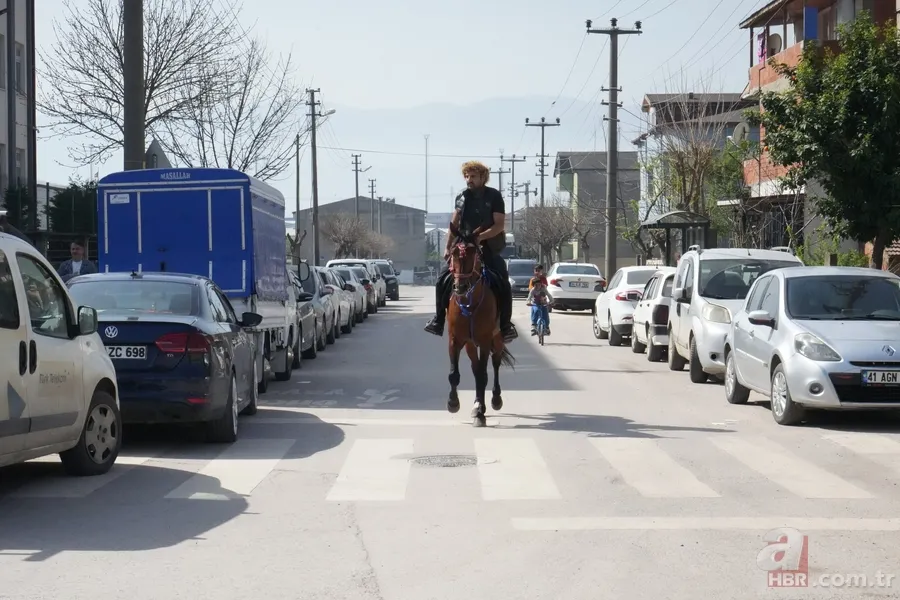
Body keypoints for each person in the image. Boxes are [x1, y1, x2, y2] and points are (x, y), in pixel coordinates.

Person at [424, 160, 517, 341]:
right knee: (442, 280)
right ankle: (438, 320)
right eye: (466, 176)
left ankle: (505, 325)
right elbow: (454, 224)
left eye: (473, 176)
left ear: (483, 177)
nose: (469, 179)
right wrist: (447, 247)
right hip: (463, 247)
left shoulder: (494, 196)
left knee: (504, 283)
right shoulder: (462, 196)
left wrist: (481, 238)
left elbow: (498, 225)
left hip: (488, 248)